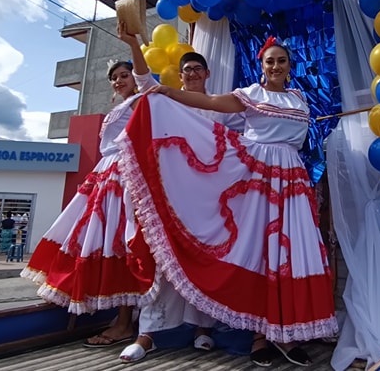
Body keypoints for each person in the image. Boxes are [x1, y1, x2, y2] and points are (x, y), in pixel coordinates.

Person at [118, 36, 338, 367]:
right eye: (269, 61)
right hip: (258, 180)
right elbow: (210, 103)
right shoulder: (251, 95)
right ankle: (259, 337)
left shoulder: (300, 99)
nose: (275, 66)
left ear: (289, 67)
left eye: (281, 61)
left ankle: (287, 335)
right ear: (262, 67)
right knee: (261, 253)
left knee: (291, 254)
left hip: (292, 180)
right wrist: (168, 92)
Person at [115, 22, 244, 363]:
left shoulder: (220, 106)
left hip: (208, 200)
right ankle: (147, 335)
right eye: (186, 70)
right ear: (180, 75)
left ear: (207, 73)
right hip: (170, 198)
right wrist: (132, 44)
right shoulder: (168, 100)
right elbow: (144, 81)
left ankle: (203, 329)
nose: (191, 74)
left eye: (197, 69)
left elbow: (242, 145)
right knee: (165, 261)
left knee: (205, 259)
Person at [20, 38, 153, 350]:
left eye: (125, 75)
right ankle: (118, 317)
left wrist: (133, 42)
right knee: (98, 240)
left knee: (121, 242)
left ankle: (124, 321)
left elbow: (145, 82)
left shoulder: (143, 100)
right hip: (105, 179)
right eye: (114, 77)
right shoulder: (121, 106)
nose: (119, 80)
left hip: (124, 178)